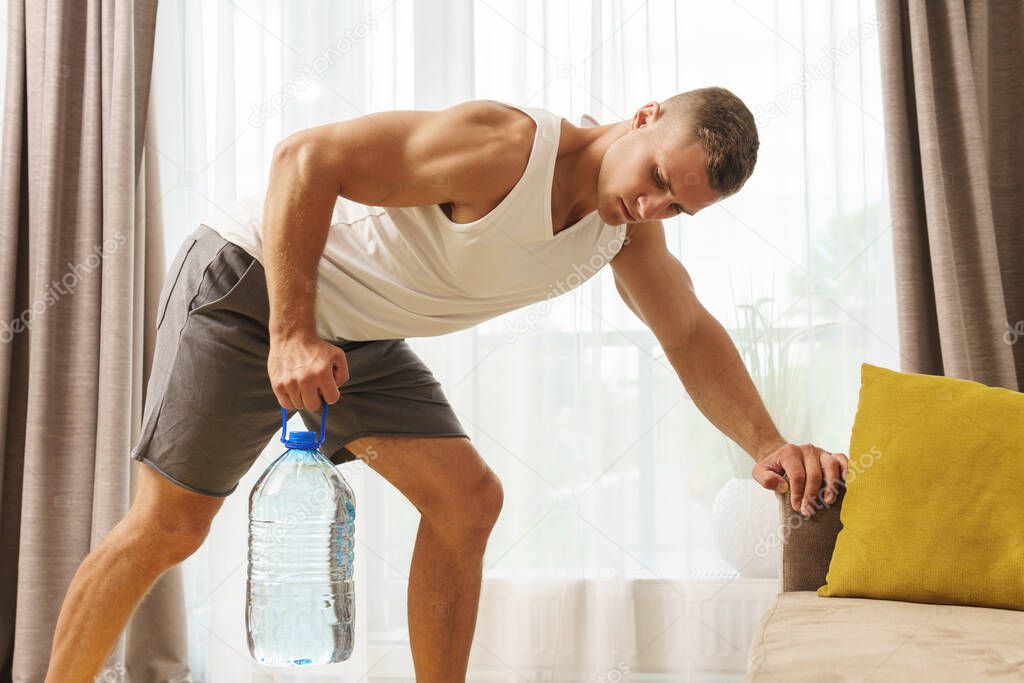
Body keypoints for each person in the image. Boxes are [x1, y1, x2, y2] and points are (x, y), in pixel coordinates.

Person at [46, 88, 848, 682]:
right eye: (658, 176)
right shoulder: (506, 147)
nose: (651, 203)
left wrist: (769, 442)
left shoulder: (623, 234)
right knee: (172, 526)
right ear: (644, 117)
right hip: (256, 281)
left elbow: (688, 332)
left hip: (353, 331)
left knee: (468, 498)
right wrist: (290, 330)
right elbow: (304, 158)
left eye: (677, 206)